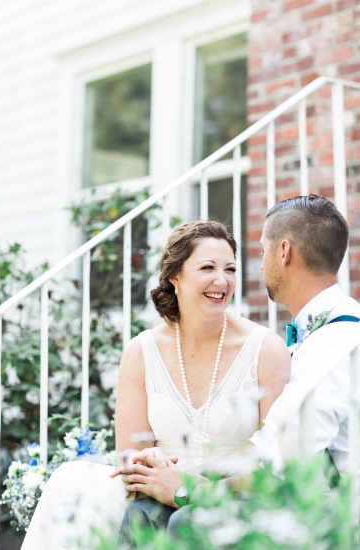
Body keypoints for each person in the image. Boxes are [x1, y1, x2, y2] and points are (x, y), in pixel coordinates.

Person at [21, 220, 290, 549]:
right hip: (153, 489)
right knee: (69, 481)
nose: (222, 280)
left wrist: (184, 480)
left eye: (230, 269)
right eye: (208, 267)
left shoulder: (266, 348)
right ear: (175, 276)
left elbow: (274, 449)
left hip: (230, 490)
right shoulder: (141, 351)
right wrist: (146, 468)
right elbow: (130, 451)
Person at [119, 194, 360, 544]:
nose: (259, 266)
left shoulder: (333, 345)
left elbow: (284, 474)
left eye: (262, 251)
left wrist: (187, 490)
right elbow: (266, 443)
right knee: (145, 512)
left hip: (334, 523)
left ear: (284, 252)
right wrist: (176, 475)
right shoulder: (327, 336)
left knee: (187, 519)